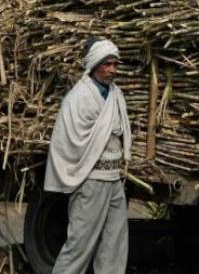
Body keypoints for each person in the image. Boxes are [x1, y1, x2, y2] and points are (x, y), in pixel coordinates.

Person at [45, 37, 132, 274]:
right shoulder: (79, 98)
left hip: (113, 180)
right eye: (108, 64)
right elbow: (68, 142)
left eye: (115, 64)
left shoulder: (115, 94)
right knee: (80, 245)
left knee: (114, 244)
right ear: (94, 65)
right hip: (90, 181)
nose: (113, 70)